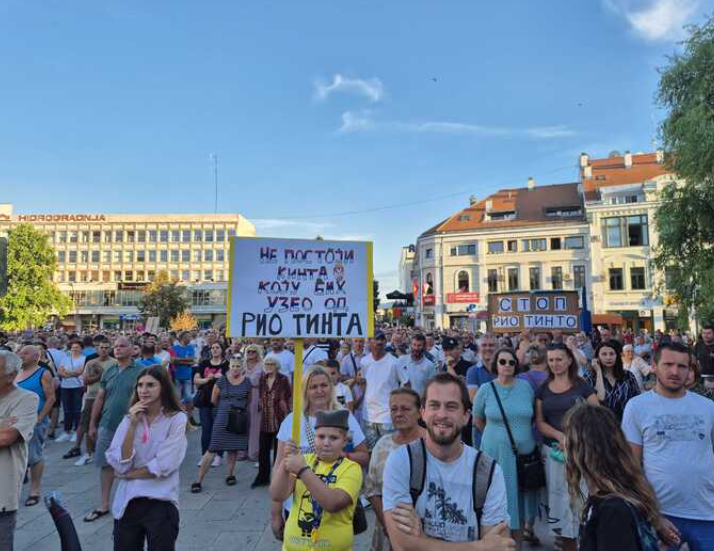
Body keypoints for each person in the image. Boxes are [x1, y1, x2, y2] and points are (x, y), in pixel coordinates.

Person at [381, 372, 514, 550]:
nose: (442, 414)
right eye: (434, 405)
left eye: (451, 407)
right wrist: (479, 547)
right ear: (423, 412)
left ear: (466, 416)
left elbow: (499, 546)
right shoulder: (402, 461)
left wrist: (423, 540)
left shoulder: (488, 471)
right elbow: (402, 545)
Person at [622, 342, 714, 551]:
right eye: (668, 364)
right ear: (653, 366)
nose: (675, 371)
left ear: (690, 369)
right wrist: (653, 516)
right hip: (662, 514)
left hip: (708, 513)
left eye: (682, 366)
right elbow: (632, 468)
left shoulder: (708, 407)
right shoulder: (637, 407)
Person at [272, 365, 369, 542]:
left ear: (331, 387)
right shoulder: (292, 421)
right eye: (313, 387)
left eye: (324, 385)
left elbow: (364, 455)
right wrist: (275, 514)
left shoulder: (344, 416)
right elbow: (279, 465)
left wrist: (343, 456)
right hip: (296, 506)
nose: (319, 391)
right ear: (305, 391)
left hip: (335, 503)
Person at [106, 366, 188, 551]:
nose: (143, 390)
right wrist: (133, 425)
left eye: (151, 385)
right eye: (140, 385)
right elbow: (118, 463)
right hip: (128, 501)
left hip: (161, 501)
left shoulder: (176, 419)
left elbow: (164, 465)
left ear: (163, 387)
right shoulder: (130, 418)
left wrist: (129, 475)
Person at [563, 403, 661, 551]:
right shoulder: (604, 498)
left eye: (566, 435)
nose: (563, 443)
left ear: (581, 447)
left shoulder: (613, 511)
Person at [535, 344, 598, 551]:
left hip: (580, 452)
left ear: (569, 360)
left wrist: (576, 436)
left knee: (581, 499)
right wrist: (559, 435)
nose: (555, 364)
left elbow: (597, 415)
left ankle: (585, 542)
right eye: (551, 360)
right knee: (559, 501)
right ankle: (567, 545)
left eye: (559, 359)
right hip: (554, 453)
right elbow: (540, 422)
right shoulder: (543, 388)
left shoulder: (582, 385)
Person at [270, 410, 363, 551]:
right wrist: (285, 460)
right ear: (314, 438)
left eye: (333, 438)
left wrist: (303, 471)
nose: (326, 443)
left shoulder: (351, 468)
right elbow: (277, 494)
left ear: (344, 441)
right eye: (321, 437)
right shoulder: (305, 459)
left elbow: (333, 503)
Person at [473, 347, 538, 548]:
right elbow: (478, 419)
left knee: (518, 502)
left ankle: (517, 545)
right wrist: (497, 437)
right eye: (502, 362)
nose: (507, 366)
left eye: (511, 362)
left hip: (523, 457)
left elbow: (534, 417)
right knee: (498, 501)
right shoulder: (486, 389)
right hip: (496, 454)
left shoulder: (526, 387)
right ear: (496, 365)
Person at [84, 337, 143, 523]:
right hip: (107, 424)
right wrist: (93, 424)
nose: (117, 349)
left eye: (122, 346)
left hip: (132, 425)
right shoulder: (109, 370)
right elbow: (100, 398)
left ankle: (133, 503)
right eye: (115, 346)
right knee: (105, 464)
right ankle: (103, 504)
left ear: (133, 349)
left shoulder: (141, 371)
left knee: (134, 462)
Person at [365, 388, 426, 551]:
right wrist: (389, 525)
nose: (398, 413)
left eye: (405, 409)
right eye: (394, 409)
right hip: (387, 532)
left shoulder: (432, 445)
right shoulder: (382, 444)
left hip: (425, 534)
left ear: (420, 412)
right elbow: (372, 491)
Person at [191, 355, 252, 493]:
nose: (235, 369)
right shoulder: (222, 381)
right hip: (223, 417)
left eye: (238, 366)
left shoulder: (247, 382)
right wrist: (223, 411)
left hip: (238, 418)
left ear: (242, 368)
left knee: (233, 449)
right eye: (233, 366)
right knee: (212, 448)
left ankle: (230, 474)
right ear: (229, 367)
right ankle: (199, 480)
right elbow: (214, 400)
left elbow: (248, 399)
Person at [0, 351, 39, 551]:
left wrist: (6, 430)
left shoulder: (27, 399)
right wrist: (3, 424)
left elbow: (6, 438)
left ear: (11, 375)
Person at [14, 345, 55, 507]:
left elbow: (51, 398)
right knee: (16, 456)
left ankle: (34, 490)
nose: (20, 355)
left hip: (34, 422)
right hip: (15, 422)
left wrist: (40, 419)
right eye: (19, 352)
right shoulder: (15, 373)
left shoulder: (43, 373)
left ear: (35, 356)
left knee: (34, 456)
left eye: (25, 353)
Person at [64, 338, 112, 464]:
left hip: (108, 396)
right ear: (97, 349)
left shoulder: (114, 363)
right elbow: (85, 381)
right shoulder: (91, 362)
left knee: (104, 425)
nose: (104, 350)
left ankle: (101, 451)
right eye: (101, 347)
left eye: (107, 347)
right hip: (91, 396)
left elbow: (112, 381)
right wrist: (101, 376)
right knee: (87, 423)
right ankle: (87, 452)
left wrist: (100, 373)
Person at [360, 330, 408, 450]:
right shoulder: (364, 362)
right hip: (368, 416)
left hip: (387, 417)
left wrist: (399, 405)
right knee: (372, 454)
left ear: (385, 341)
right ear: (369, 342)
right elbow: (365, 383)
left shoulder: (394, 362)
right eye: (375, 339)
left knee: (389, 453)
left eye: (381, 339)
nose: (379, 342)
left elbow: (406, 384)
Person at [252, 354, 291, 488]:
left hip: (279, 418)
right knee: (263, 450)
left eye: (271, 364)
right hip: (265, 418)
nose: (268, 366)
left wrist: (287, 415)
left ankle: (277, 478)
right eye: (266, 364)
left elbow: (288, 397)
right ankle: (262, 477)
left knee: (278, 451)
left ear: (276, 366)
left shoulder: (284, 379)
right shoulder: (262, 379)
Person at [193, 342, 229, 465]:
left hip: (221, 401)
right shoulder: (204, 363)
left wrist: (221, 378)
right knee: (206, 429)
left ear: (222, 350)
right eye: (212, 348)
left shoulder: (227, 365)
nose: (214, 350)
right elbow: (196, 380)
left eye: (217, 347)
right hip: (205, 400)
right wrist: (208, 379)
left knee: (218, 429)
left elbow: (231, 380)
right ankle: (205, 455)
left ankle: (218, 455)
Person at [584, 341, 640, 421]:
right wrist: (598, 372)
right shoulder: (589, 377)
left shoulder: (628, 376)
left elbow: (637, 399)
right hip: (600, 424)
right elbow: (600, 398)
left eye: (612, 354)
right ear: (597, 357)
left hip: (626, 422)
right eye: (604, 354)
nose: (608, 357)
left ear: (617, 356)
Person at [56, 340, 86, 442]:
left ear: (81, 349)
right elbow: (59, 372)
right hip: (65, 386)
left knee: (77, 410)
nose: (74, 349)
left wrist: (66, 373)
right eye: (73, 347)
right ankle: (66, 431)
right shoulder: (65, 358)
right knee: (67, 409)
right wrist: (67, 374)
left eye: (77, 347)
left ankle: (76, 431)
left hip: (78, 386)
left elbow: (80, 371)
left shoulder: (84, 359)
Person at [170, 331, 198, 427]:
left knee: (189, 398)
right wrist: (186, 360)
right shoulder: (174, 348)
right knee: (177, 398)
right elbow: (173, 360)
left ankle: (190, 417)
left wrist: (180, 360)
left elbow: (193, 361)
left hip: (187, 376)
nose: (190, 338)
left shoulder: (191, 347)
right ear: (182, 338)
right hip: (177, 376)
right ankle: (178, 420)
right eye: (188, 337)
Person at [397, 334, 437, 398]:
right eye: (414, 345)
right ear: (410, 345)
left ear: (424, 346)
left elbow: (431, 387)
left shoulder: (430, 365)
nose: (416, 348)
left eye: (419, 345)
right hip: (403, 401)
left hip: (419, 403)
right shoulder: (401, 360)